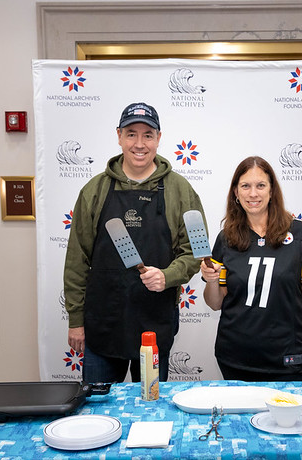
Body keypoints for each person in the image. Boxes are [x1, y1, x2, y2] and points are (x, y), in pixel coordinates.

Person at [64, 102, 205, 384]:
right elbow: (77, 260)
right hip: (103, 323)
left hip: (154, 321)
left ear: (158, 138)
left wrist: (168, 276)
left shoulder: (180, 190)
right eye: (131, 134)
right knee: (98, 411)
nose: (139, 144)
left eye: (147, 135)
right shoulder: (95, 190)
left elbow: (194, 252)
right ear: (119, 136)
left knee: (150, 409)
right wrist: (76, 320)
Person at [201, 156, 302, 381]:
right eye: (245, 186)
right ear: (236, 192)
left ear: (272, 191)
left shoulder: (301, 234)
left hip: (289, 360)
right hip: (235, 359)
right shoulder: (226, 238)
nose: (253, 194)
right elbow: (215, 303)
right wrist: (212, 281)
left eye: (260, 185)